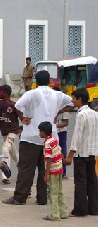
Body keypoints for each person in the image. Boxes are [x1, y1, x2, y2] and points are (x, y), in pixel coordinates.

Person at [3, 70, 74, 206]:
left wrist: (22, 118)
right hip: (50, 136)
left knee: (26, 169)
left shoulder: (31, 93)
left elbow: (17, 105)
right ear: (49, 81)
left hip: (31, 136)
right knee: (45, 168)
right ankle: (42, 198)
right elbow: (72, 103)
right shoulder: (57, 95)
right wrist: (59, 111)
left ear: (36, 81)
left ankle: (20, 197)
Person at [65, 87, 98, 217]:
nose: (72, 101)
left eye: (73, 98)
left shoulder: (81, 114)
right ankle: (94, 208)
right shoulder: (95, 114)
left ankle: (80, 210)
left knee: (80, 182)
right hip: (92, 151)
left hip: (81, 153)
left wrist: (70, 155)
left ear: (80, 99)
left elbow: (77, 136)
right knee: (92, 181)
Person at [0, 84, 20, 185]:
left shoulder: (14, 105)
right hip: (5, 133)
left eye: (0, 91)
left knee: (5, 149)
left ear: (5, 93)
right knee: (13, 152)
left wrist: (21, 130)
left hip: (13, 132)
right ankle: (23, 166)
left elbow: (22, 117)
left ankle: (5, 174)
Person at [38, 121, 68, 221]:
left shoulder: (47, 144)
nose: (39, 133)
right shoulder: (54, 140)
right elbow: (60, 152)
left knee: (53, 193)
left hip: (53, 171)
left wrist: (46, 174)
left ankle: (54, 215)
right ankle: (63, 212)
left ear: (43, 132)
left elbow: (48, 159)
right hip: (59, 169)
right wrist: (63, 162)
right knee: (59, 192)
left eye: (40, 131)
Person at [52, 86, 69, 179]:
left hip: (61, 132)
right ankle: (54, 171)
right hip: (51, 132)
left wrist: (55, 125)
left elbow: (66, 122)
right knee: (52, 153)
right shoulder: (49, 106)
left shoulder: (63, 107)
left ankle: (63, 172)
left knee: (62, 152)